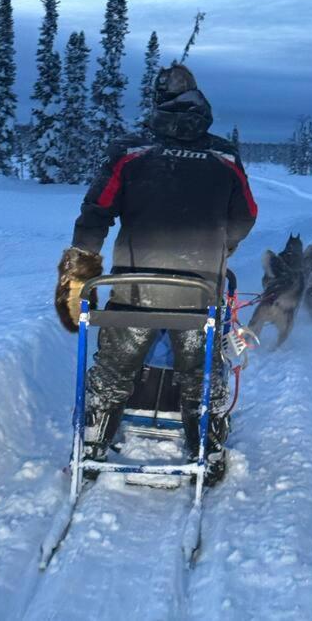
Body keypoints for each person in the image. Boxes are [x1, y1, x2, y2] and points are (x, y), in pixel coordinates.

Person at [55, 64, 257, 485]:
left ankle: (93, 442)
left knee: (113, 369)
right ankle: (208, 447)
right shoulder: (224, 155)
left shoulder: (130, 151)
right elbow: (245, 215)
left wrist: (80, 267)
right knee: (200, 373)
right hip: (199, 291)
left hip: (133, 287)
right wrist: (221, 249)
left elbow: (97, 211)